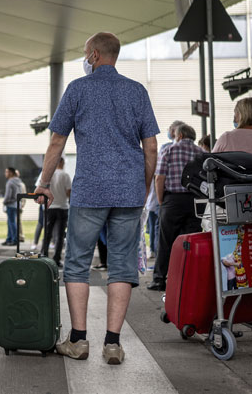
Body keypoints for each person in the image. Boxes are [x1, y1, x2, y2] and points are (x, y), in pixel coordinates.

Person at [34, 32, 159, 365]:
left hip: (90, 190)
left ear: (93, 55)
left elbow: (56, 141)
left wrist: (44, 182)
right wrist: (142, 188)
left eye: (85, 53)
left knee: (76, 263)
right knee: (121, 265)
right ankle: (113, 344)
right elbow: (151, 147)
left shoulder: (78, 89)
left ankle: (78, 341)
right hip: (129, 191)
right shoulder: (137, 91)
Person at [148, 124, 203, 291]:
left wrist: (161, 200)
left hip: (172, 201)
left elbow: (159, 178)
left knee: (165, 241)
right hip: (195, 200)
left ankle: (159, 279)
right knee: (190, 241)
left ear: (179, 136)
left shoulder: (169, 150)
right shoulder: (201, 153)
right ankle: (188, 279)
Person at [212, 97, 252, 162]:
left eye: (235, 113)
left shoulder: (226, 138)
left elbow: (210, 162)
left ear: (240, 115)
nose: (234, 117)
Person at [40, 157, 72, 266]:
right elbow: (69, 192)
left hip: (49, 207)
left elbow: (39, 189)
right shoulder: (65, 175)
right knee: (60, 235)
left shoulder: (45, 175)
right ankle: (56, 259)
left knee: (47, 233)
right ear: (61, 162)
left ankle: (43, 256)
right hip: (62, 207)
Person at [1, 167, 23, 246]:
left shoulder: (10, 182)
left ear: (10, 173)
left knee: (12, 223)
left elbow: (8, 195)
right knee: (11, 222)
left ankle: (14, 240)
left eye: (6, 172)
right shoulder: (18, 182)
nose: (5, 173)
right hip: (16, 204)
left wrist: (4, 202)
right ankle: (9, 239)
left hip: (10, 204)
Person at [16, 169, 26, 244]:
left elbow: (24, 195)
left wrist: (22, 204)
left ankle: (21, 236)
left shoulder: (21, 184)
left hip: (18, 206)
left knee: (18, 222)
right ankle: (18, 236)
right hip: (14, 205)